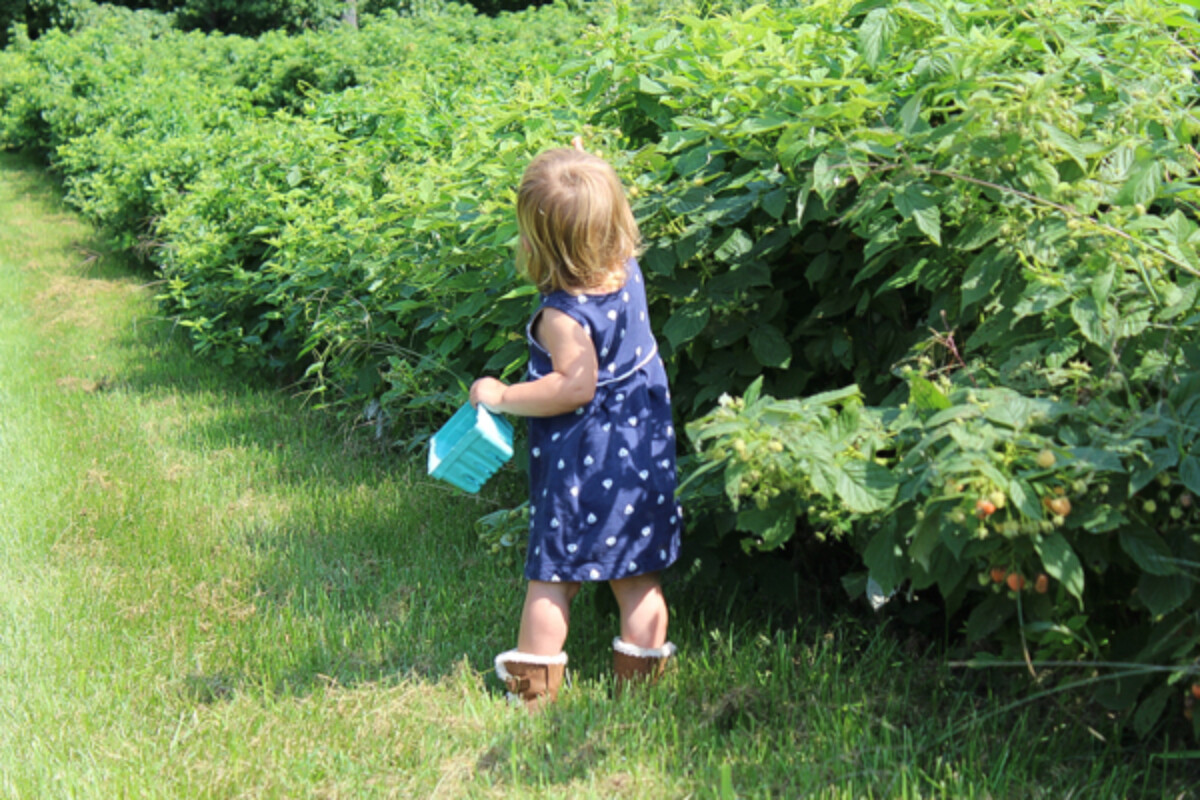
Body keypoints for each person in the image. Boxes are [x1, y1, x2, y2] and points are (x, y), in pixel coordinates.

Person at [470, 138, 681, 711]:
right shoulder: (625, 269)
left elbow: (575, 386)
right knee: (639, 576)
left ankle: (532, 697)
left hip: (584, 462)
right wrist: (588, 165)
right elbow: (593, 208)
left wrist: (503, 394)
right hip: (641, 451)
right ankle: (641, 695)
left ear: (538, 241)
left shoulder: (561, 314)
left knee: (554, 574)